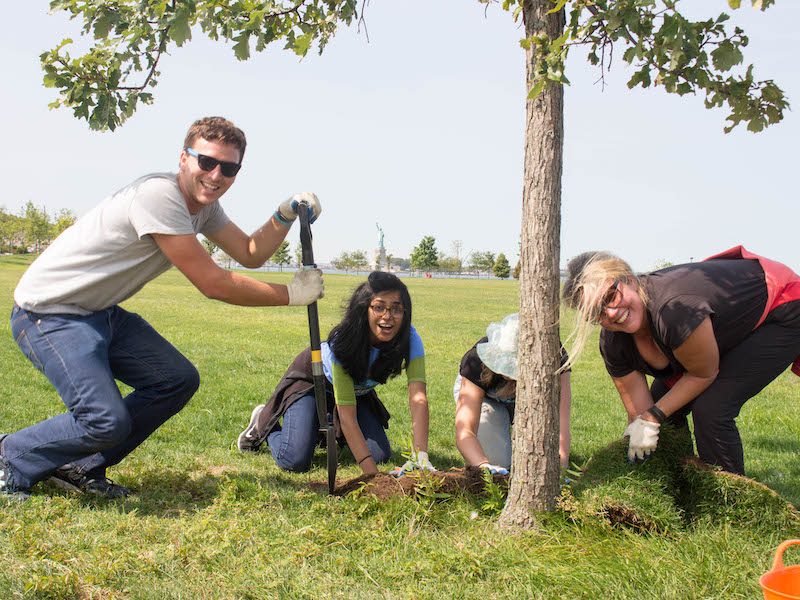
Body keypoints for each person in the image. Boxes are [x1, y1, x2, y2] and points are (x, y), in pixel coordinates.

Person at [0, 116, 325, 502]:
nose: (216, 175)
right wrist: (291, 294)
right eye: (206, 162)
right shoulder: (159, 196)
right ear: (184, 158)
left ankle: (79, 466)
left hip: (98, 311)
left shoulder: (204, 207)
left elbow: (250, 253)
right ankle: (9, 458)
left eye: (229, 168)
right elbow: (212, 282)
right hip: (48, 313)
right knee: (103, 420)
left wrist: (283, 215)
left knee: (174, 379)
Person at [562, 246, 800, 475]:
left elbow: (703, 374)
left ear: (629, 280)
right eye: (596, 312)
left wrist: (653, 416)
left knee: (711, 409)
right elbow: (640, 414)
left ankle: (728, 504)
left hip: (781, 306)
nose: (611, 313)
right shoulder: (613, 343)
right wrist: (640, 433)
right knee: (663, 405)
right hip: (710, 333)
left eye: (611, 296)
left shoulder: (674, 310)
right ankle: (680, 478)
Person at [236, 271, 436, 476]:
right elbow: (348, 418)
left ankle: (321, 428)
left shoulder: (409, 338)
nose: (387, 316)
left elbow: (418, 397)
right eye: (378, 307)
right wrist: (373, 477)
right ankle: (265, 423)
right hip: (312, 385)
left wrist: (421, 456)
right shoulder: (343, 344)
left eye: (396, 308)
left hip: (355, 392)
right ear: (363, 309)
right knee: (294, 460)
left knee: (379, 454)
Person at [453, 313, 573, 475]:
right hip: (486, 399)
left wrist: (559, 467)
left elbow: (561, 422)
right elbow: (465, 431)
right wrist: (485, 467)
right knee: (497, 460)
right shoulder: (476, 361)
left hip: (528, 399)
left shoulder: (555, 359)